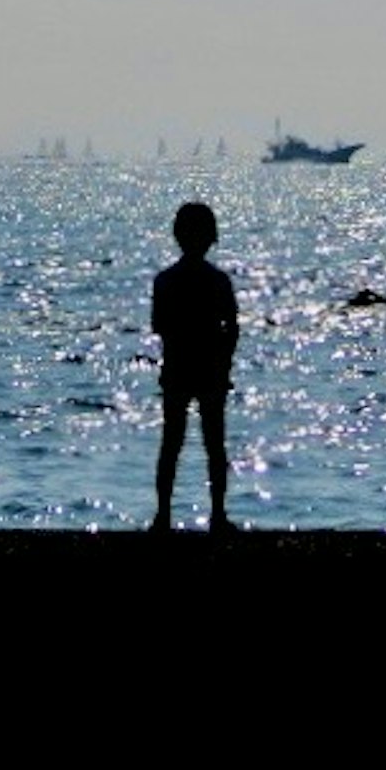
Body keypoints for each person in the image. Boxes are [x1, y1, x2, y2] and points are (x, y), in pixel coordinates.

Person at [148, 200, 241, 534]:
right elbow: (232, 326)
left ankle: (163, 517)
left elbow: (159, 325)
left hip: (177, 368)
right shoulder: (218, 280)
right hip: (210, 369)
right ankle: (217, 515)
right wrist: (223, 360)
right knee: (214, 444)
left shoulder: (165, 281)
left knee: (171, 443)